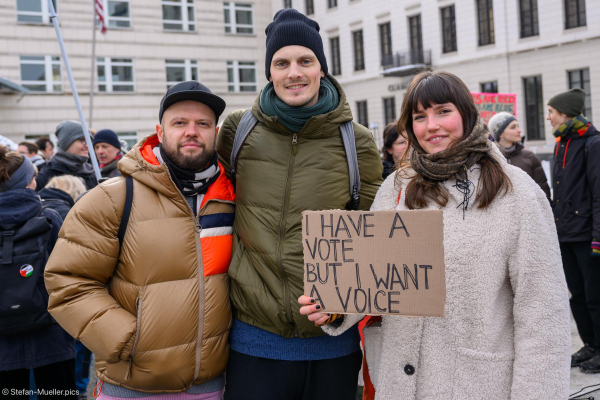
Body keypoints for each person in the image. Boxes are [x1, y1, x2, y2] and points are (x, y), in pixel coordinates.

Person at [300, 70, 571, 399]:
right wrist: (335, 304)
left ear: (466, 114)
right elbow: (375, 279)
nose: (431, 126)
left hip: (476, 386)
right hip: (400, 385)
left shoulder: (517, 194)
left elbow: (543, 317)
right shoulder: (396, 188)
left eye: (443, 111)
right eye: (419, 116)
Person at [216, 9, 383, 400]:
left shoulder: (355, 140)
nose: (294, 72)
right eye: (282, 62)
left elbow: (374, 235)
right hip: (253, 339)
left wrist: (341, 308)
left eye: (305, 61)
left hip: (330, 342)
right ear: (269, 72)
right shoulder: (239, 131)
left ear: (321, 69)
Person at [44, 81, 234, 400]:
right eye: (180, 123)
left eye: (203, 124)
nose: (192, 131)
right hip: (131, 388)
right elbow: (67, 280)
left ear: (215, 133)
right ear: (159, 132)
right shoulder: (112, 198)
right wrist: (127, 339)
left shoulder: (230, 197)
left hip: (213, 386)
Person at [0, 145, 76, 399]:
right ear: (27, 184)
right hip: (51, 332)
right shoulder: (50, 218)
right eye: (33, 177)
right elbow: (71, 270)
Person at [547, 88, 600, 373]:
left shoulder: (593, 143)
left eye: (552, 112)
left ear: (565, 113)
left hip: (587, 237)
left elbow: (598, 194)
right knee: (576, 296)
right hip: (566, 234)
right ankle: (590, 344)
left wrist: (598, 238)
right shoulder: (560, 144)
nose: (548, 117)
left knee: (595, 297)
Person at [487, 112, 551, 200]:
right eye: (513, 127)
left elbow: (544, 193)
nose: (519, 130)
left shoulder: (530, 157)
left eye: (518, 126)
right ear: (500, 134)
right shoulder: (489, 159)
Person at [36, 121, 97, 190]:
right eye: (82, 140)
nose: (87, 145)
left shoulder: (92, 173)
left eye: (89, 140)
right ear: (66, 142)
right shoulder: (46, 174)